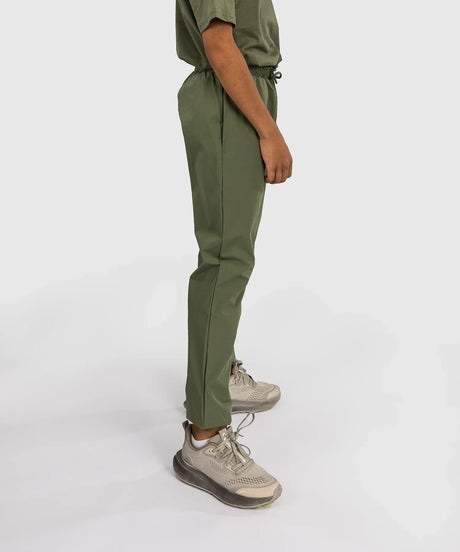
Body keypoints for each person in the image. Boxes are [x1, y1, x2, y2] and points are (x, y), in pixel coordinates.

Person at [173, 0, 293, 508]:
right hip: (229, 93)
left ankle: (216, 373)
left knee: (232, 254)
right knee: (226, 260)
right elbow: (220, 43)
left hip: (239, 90)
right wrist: (269, 130)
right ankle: (204, 436)